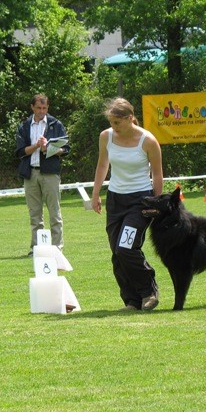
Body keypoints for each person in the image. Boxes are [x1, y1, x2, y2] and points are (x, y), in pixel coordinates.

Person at [91, 98, 163, 311]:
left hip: (140, 201)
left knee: (126, 247)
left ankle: (149, 292)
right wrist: (96, 194)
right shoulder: (106, 137)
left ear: (130, 118)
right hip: (116, 200)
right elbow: (103, 164)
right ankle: (131, 300)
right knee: (117, 251)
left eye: (117, 123)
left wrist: (157, 205)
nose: (114, 127)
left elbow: (158, 175)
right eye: (111, 122)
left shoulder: (148, 141)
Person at [16, 94, 69, 255]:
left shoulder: (55, 124)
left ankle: (57, 247)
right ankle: (36, 249)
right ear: (32, 107)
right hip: (30, 173)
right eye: (38, 108)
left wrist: (48, 149)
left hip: (50, 174)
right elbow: (20, 151)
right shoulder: (25, 126)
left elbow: (65, 149)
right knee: (35, 215)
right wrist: (36, 146)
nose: (42, 111)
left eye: (44, 108)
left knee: (55, 212)